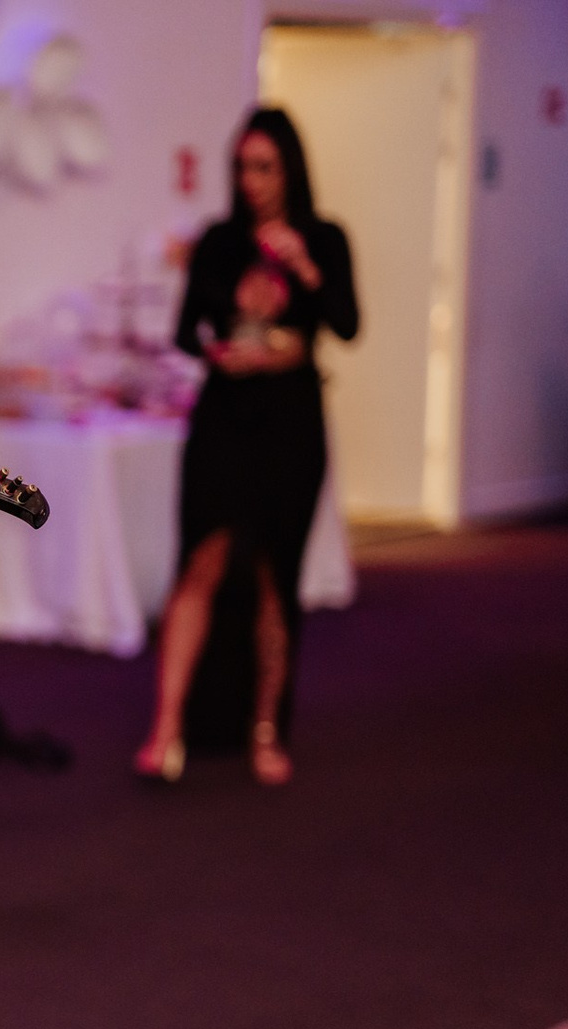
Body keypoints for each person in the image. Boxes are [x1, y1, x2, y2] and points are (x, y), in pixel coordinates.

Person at [134, 106, 358, 786]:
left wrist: (304, 269)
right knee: (199, 562)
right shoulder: (219, 241)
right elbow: (185, 333)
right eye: (242, 168)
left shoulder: (324, 238)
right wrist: (221, 349)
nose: (251, 181)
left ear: (289, 171)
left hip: (289, 423)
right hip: (225, 418)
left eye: (265, 168)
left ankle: (265, 730)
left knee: (272, 575)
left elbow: (347, 323)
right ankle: (167, 727)